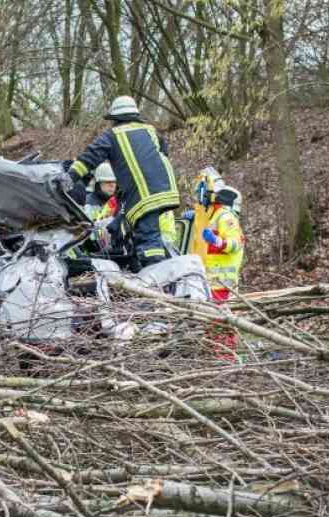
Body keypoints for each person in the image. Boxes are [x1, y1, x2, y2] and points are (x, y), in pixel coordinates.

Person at [63, 95, 181, 268]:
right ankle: (147, 268)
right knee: (145, 230)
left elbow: (88, 159)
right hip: (166, 188)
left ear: (115, 119)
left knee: (148, 239)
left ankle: (157, 275)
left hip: (144, 194)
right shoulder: (151, 130)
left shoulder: (112, 136)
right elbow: (161, 154)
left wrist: (68, 179)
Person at [191, 185, 245, 361]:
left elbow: (235, 244)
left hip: (222, 283)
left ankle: (224, 358)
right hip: (214, 282)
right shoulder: (216, 216)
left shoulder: (226, 216)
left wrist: (218, 242)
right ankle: (215, 356)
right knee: (213, 321)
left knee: (220, 321)